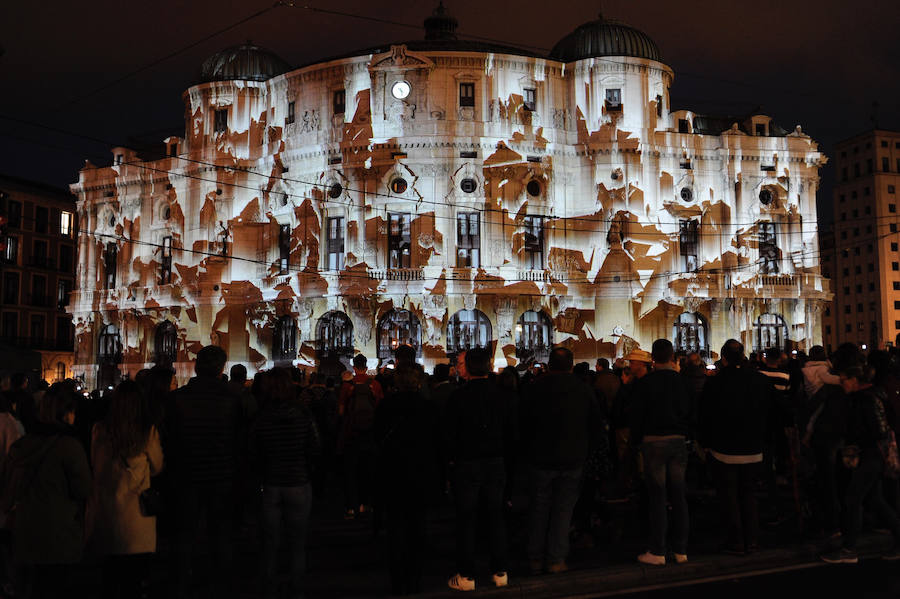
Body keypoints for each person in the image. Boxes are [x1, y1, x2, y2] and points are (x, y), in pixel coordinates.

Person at [167, 345, 241, 599]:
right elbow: (240, 441)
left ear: (197, 367)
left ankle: (181, 583)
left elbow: (170, 440)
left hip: (186, 475)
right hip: (222, 475)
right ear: (222, 368)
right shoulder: (233, 399)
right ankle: (221, 584)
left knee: (184, 533)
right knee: (221, 533)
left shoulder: (178, 399)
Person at [8, 383, 91, 598]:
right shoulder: (69, 447)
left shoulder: (22, 445)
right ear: (65, 413)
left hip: (26, 533)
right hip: (59, 535)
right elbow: (84, 488)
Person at [523, 346, 600, 574]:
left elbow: (523, 422)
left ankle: (535, 558)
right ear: (571, 365)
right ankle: (556, 559)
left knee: (538, 509)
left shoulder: (535, 387)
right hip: (572, 457)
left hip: (541, 457)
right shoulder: (583, 389)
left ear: (549, 364)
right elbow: (595, 425)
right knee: (563, 510)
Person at [444, 348, 516, 592]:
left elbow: (449, 437)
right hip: (496, 462)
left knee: (467, 520)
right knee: (496, 517)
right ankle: (500, 571)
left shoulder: (458, 398)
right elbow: (511, 434)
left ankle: (467, 574)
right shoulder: (503, 396)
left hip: (467, 464)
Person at [85, 381, 164, 599]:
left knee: (109, 581)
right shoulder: (147, 431)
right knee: (134, 584)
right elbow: (157, 466)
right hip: (136, 519)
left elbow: (95, 465)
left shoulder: (100, 430)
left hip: (107, 514)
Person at [250, 368, 321, 599]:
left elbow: (253, 451)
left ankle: (269, 586)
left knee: (269, 542)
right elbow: (315, 447)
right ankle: (296, 587)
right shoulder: (303, 414)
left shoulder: (261, 416)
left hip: (270, 483)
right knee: (297, 542)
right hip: (298, 481)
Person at [699, 339, 772, 555]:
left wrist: (704, 443)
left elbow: (705, 415)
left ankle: (736, 539)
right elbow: (771, 411)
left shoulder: (715, 383)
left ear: (723, 358)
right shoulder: (760, 380)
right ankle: (753, 539)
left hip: (724, 449)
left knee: (729, 495)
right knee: (749, 494)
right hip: (754, 447)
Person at [820, 366, 900, 563]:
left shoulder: (864, 399)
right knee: (875, 500)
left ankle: (849, 549)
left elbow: (877, 429)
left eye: (845, 379)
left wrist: (854, 442)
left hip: (870, 455)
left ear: (856, 379)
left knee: (853, 500)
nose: (842, 383)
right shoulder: (872, 395)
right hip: (874, 454)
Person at [374, 365, 441, 595]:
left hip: (394, 474)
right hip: (421, 474)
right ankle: (415, 578)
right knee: (418, 529)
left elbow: (377, 440)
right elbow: (437, 443)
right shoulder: (428, 407)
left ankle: (397, 579)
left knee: (396, 530)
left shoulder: (386, 406)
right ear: (418, 382)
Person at [628, 339, 693, 565]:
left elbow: (637, 415)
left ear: (653, 358)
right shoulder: (682, 381)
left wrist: (635, 442)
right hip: (677, 440)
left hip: (653, 441)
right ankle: (681, 549)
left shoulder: (646, 383)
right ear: (672, 356)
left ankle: (658, 550)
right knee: (679, 495)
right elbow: (690, 411)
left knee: (658, 497)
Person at [338, 354, 384, 519]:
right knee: (368, 469)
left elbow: (341, 411)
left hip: (352, 433)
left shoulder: (347, 387)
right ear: (366, 366)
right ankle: (366, 504)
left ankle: (351, 506)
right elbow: (380, 408)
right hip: (370, 433)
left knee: (351, 471)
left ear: (354, 367)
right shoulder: (375, 384)